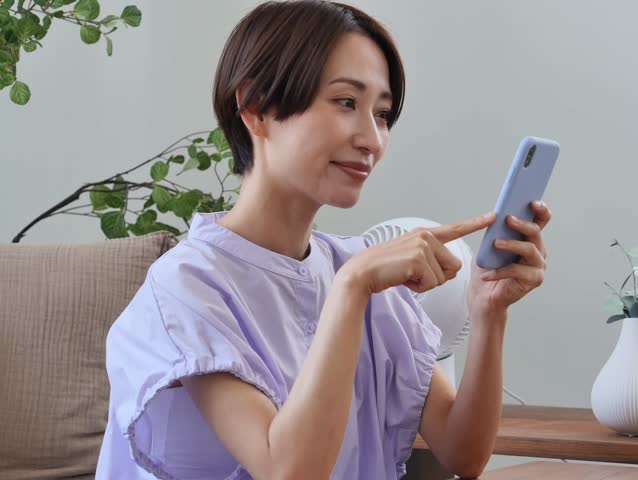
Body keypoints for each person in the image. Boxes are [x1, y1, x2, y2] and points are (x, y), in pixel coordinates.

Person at [96, 1, 551, 478]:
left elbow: (463, 452)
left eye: (382, 113)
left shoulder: (358, 268)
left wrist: (489, 311)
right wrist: (350, 289)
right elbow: (288, 471)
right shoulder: (185, 287)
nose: (372, 139)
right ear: (255, 107)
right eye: (346, 102)